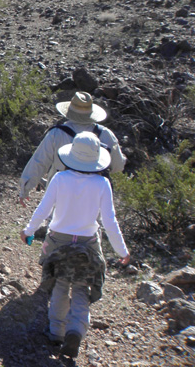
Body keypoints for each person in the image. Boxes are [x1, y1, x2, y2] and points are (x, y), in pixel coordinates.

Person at [20, 132, 130, 358]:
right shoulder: (102, 183)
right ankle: (76, 331)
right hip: (88, 244)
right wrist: (122, 251)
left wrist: (28, 230)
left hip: (58, 241)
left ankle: (56, 333)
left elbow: (44, 210)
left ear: (71, 155)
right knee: (82, 287)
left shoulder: (60, 179)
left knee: (60, 285)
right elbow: (109, 221)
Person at [19, 91, 125, 209]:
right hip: (94, 195)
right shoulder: (106, 134)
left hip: (61, 193)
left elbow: (39, 162)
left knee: (57, 223)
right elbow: (118, 166)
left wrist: (25, 189)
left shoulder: (56, 134)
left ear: (69, 112)